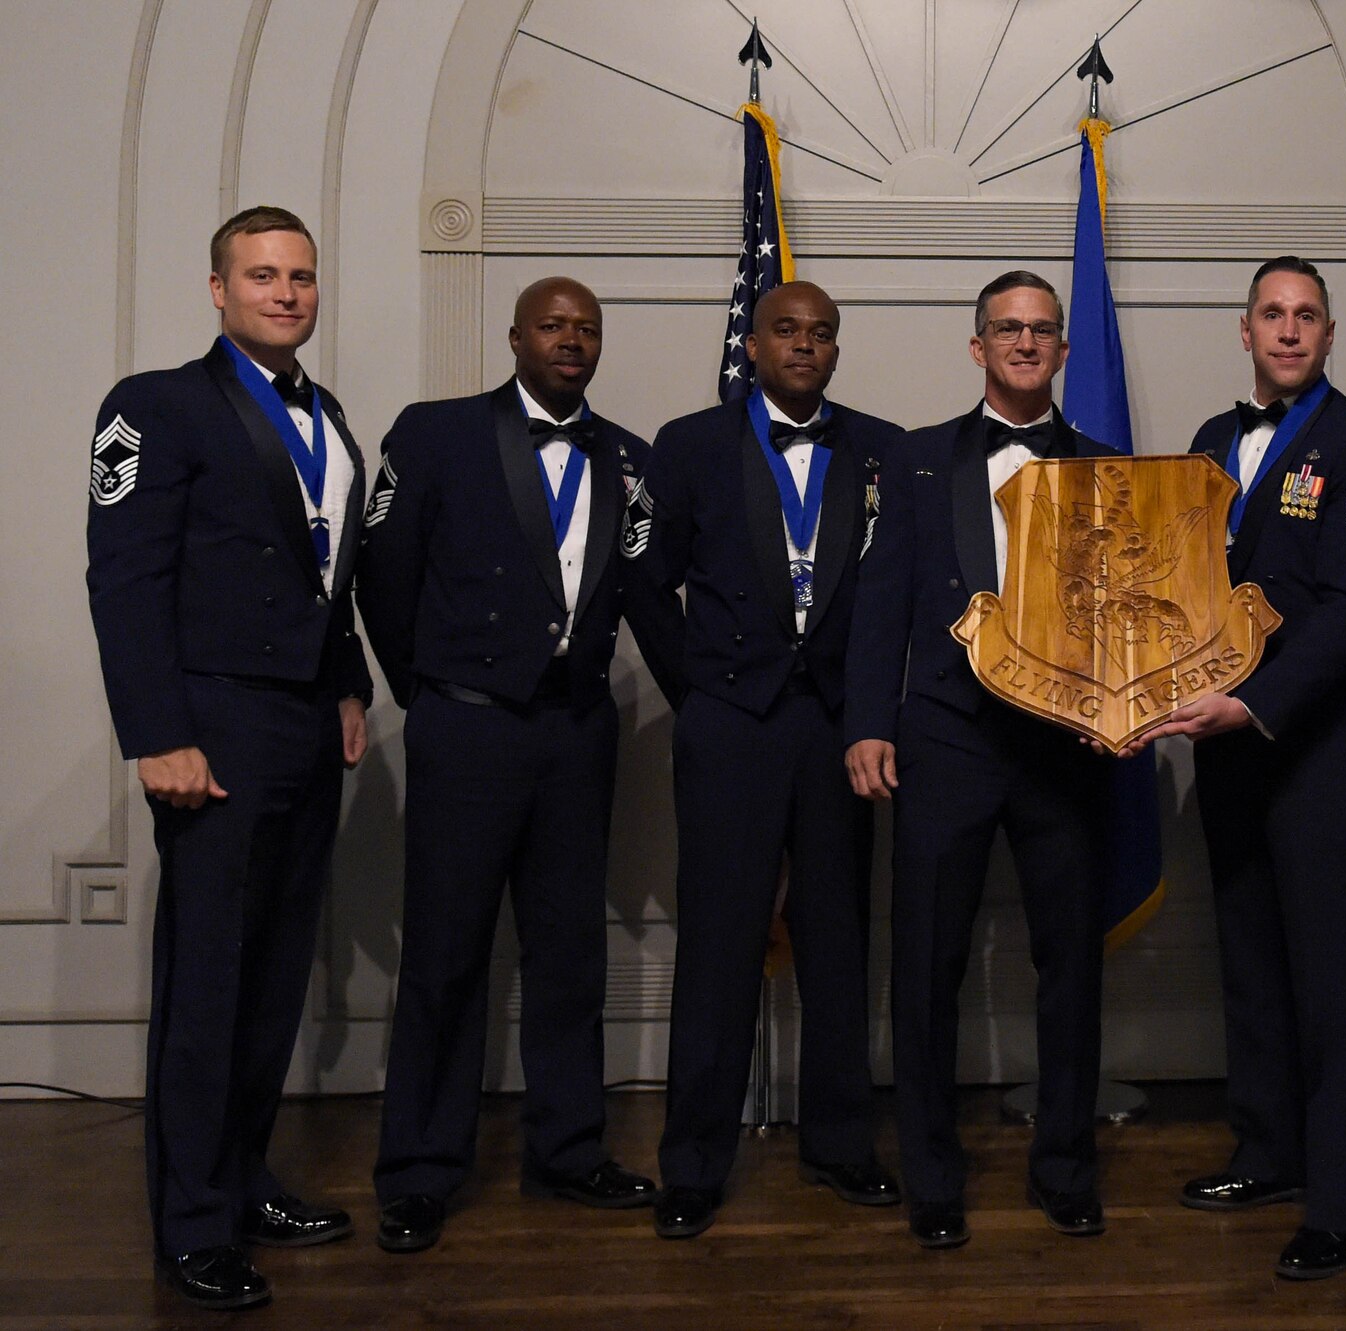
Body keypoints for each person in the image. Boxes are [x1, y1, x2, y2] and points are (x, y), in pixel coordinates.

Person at [85, 205, 372, 1310]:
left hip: (301, 720)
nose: (286, 292)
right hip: (209, 725)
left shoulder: (325, 412)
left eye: (300, 275)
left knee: (270, 972)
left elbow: (323, 570)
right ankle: (192, 1221)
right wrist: (156, 732)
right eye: (262, 275)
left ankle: (243, 1177)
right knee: (209, 982)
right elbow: (124, 578)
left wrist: (346, 679)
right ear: (218, 289)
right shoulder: (154, 405)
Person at [357, 277, 656, 1255]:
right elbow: (385, 578)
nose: (571, 340)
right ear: (517, 335)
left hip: (576, 733)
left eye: (587, 329)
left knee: (569, 957)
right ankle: (417, 1172)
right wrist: (432, 692)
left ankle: (568, 1150)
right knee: (444, 956)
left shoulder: (628, 458)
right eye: (553, 325)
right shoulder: (436, 432)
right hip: (469, 728)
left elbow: (648, 601)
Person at [1139, 256, 1346, 1280]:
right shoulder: (1210, 445)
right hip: (1226, 750)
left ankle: (1343, 1198)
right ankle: (1267, 1150)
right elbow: (1176, 592)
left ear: (1327, 334)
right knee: (1250, 962)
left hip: (1318, 747)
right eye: (1271, 315)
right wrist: (1134, 693)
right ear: (1243, 330)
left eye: (1305, 316)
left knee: (1335, 979)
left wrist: (1255, 703)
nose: (1287, 331)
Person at [624, 281, 903, 1239]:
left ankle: (840, 1144)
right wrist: (700, 685)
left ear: (835, 351)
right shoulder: (689, 442)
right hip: (730, 727)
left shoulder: (879, 447)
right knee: (718, 947)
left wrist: (870, 708)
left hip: (837, 729)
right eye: (788, 330)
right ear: (754, 343)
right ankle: (695, 1162)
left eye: (822, 334)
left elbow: (895, 596)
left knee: (837, 943)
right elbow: (644, 579)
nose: (806, 345)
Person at [844, 271, 1116, 1250]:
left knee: (1070, 967)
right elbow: (880, 605)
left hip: (1064, 745)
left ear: (1061, 350)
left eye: (1041, 329)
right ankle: (932, 1176)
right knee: (926, 965)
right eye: (1007, 328)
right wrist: (866, 722)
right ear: (977, 347)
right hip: (946, 738)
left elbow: (1122, 618)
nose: (1025, 342)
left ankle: (1066, 1168)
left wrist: (1116, 707)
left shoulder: (1104, 467)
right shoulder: (916, 461)